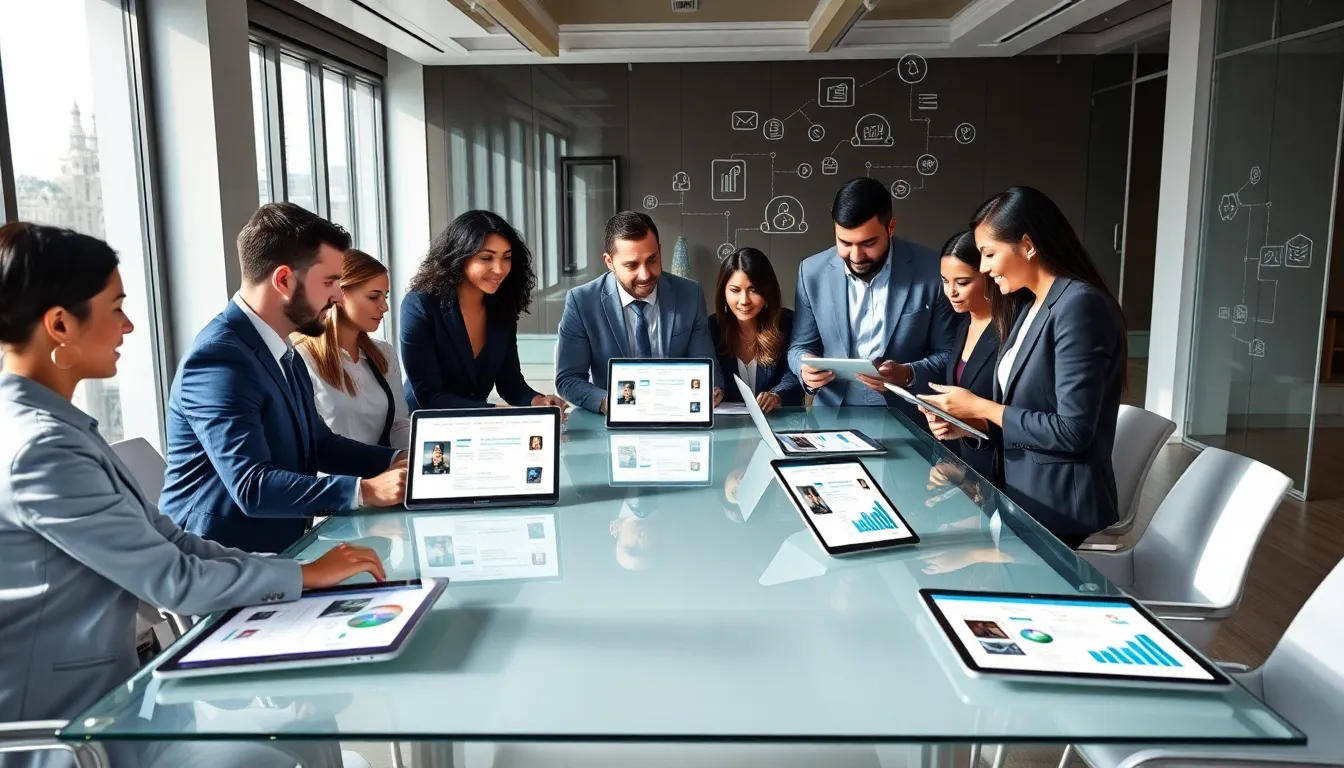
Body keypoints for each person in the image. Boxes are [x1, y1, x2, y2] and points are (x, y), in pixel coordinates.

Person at [0, 222, 384, 767]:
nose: (130, 325)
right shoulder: (41, 449)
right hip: (74, 736)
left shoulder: (58, 429)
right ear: (60, 323)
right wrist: (298, 574)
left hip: (122, 708)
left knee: (309, 735)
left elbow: (171, 539)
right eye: (116, 308)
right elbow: (173, 578)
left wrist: (294, 570)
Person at [161, 203, 407, 555]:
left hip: (282, 549)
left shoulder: (281, 349)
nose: (338, 295)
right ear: (284, 280)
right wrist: (364, 491)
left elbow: (319, 445)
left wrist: (396, 461)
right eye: (329, 282)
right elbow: (252, 487)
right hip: (222, 561)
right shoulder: (219, 358)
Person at [920, 186, 1126, 549]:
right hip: (1018, 496)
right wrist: (969, 424)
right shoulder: (1030, 307)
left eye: (988, 254)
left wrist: (981, 407)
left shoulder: (1079, 306)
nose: (983, 267)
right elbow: (1029, 413)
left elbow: (1073, 431)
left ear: (1028, 246)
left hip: (1056, 509)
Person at [788, 177, 958, 418]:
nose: (856, 256)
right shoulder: (811, 273)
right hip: (832, 417)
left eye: (868, 243)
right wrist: (804, 367)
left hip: (908, 418)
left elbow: (950, 353)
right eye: (845, 243)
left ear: (891, 227)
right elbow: (799, 346)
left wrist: (908, 374)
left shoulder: (932, 270)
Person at [555, 211, 723, 414]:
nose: (645, 275)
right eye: (631, 265)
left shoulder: (690, 294)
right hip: (614, 418)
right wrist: (613, 404)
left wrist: (713, 389)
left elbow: (707, 367)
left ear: (660, 250)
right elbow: (569, 379)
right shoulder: (582, 302)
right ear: (609, 262)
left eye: (652, 259)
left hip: (677, 416)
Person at [400, 210, 567, 412]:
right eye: (486, 258)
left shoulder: (501, 306)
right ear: (460, 257)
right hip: (421, 428)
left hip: (477, 426)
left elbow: (510, 383)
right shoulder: (420, 305)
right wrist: (496, 411)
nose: (499, 269)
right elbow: (430, 396)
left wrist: (538, 401)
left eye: (506, 258)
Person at [294, 248, 410, 449]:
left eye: (385, 296)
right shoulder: (301, 359)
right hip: (335, 479)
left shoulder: (384, 354)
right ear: (339, 294)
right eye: (374, 297)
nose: (384, 307)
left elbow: (398, 425)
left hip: (383, 474)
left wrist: (420, 461)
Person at [927, 230, 1000, 487]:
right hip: (964, 465)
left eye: (963, 282)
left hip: (999, 472)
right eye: (945, 280)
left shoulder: (1011, 331)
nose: (950, 292)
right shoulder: (963, 326)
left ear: (989, 275)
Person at [709, 247, 803, 413]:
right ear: (723, 292)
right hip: (729, 430)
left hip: (777, 425)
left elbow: (794, 377)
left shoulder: (787, 323)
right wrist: (713, 391)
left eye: (753, 290)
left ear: (767, 292)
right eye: (735, 290)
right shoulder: (711, 328)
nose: (744, 300)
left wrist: (776, 396)